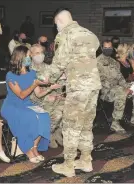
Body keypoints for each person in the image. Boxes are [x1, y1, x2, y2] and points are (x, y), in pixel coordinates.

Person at [37, 8, 101, 177]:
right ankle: (86, 160)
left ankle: (69, 165)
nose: (56, 28)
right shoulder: (90, 34)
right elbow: (92, 59)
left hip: (78, 88)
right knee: (86, 126)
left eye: (56, 24)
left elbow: (58, 63)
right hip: (93, 86)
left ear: (59, 21)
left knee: (71, 126)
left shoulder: (65, 34)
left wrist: (42, 78)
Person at [0, 46, 50, 164]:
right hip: (12, 106)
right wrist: (34, 84)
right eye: (28, 55)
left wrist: (49, 87)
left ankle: (34, 147)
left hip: (27, 104)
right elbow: (21, 95)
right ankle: (27, 149)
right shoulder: (10, 75)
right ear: (20, 57)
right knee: (29, 117)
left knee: (44, 116)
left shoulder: (32, 73)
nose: (30, 57)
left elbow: (38, 94)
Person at [30, 44, 64, 148]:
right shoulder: (29, 70)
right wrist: (51, 94)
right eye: (37, 53)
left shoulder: (48, 67)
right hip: (36, 99)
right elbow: (36, 93)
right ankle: (48, 135)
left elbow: (57, 84)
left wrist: (59, 94)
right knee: (57, 114)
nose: (40, 55)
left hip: (51, 95)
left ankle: (57, 132)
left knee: (67, 107)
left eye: (41, 52)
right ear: (31, 55)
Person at [97, 40, 133, 134]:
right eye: (105, 48)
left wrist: (127, 86)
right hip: (105, 91)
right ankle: (115, 122)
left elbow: (120, 77)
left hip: (116, 88)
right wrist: (121, 88)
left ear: (112, 48)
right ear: (101, 48)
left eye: (109, 48)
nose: (108, 49)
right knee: (121, 91)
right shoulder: (97, 62)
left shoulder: (114, 62)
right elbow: (99, 80)